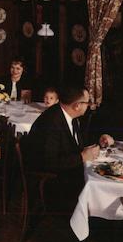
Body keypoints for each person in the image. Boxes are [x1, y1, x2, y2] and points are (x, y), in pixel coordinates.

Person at [25, 84, 100, 213]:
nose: (88, 106)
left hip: (66, 173)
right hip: (51, 182)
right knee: (96, 190)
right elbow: (49, 162)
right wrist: (81, 157)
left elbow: (76, 146)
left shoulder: (70, 116)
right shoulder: (51, 122)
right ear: (77, 106)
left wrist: (99, 142)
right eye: (87, 103)